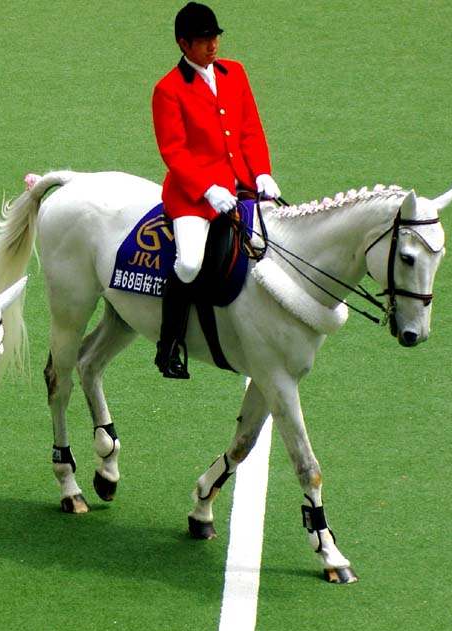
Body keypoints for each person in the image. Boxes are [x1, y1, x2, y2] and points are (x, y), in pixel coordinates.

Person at [151, 2, 280, 379]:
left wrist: (261, 175)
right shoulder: (168, 90)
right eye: (205, 39)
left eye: (215, 37)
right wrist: (207, 189)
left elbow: (250, 130)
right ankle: (169, 345)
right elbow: (173, 151)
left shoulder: (234, 73)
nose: (213, 45)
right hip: (192, 197)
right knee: (189, 263)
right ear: (184, 44)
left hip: (239, 186)